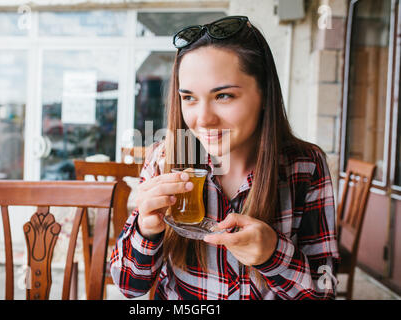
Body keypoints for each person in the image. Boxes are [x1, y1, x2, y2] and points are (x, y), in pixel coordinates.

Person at [110, 15, 340, 300]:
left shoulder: (306, 166)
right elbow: (128, 286)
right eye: (189, 98)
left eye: (223, 96)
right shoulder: (166, 158)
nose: (203, 119)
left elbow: (324, 291)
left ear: (265, 94)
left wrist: (273, 254)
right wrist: (146, 230)